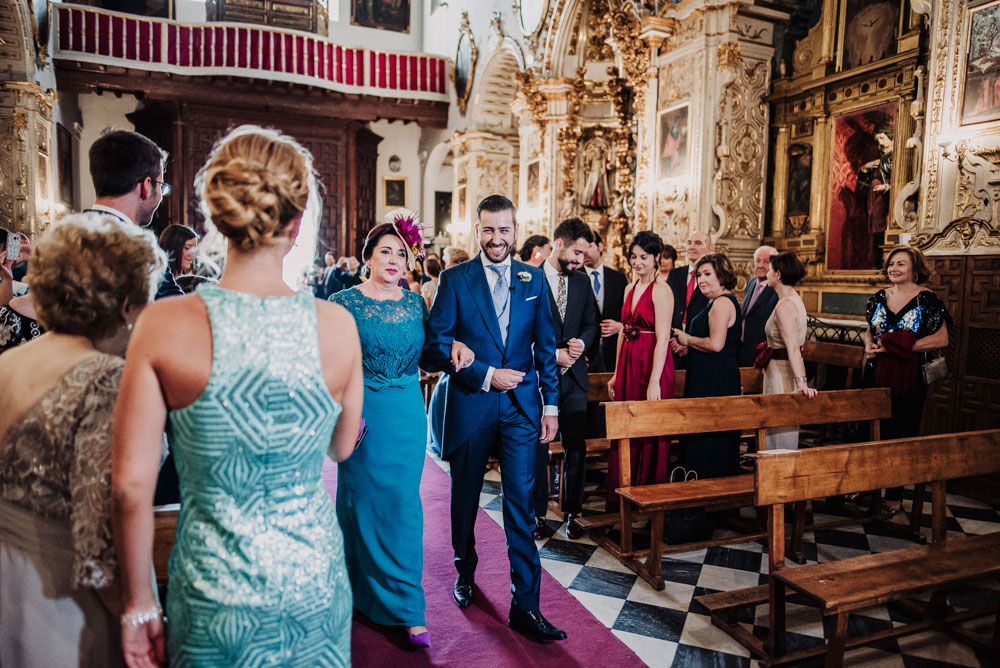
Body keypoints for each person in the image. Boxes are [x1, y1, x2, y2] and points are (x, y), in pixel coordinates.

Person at [112, 125, 362, 667]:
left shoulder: (165, 324)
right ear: (298, 222)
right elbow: (342, 447)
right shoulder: (338, 326)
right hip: (312, 580)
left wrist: (138, 603)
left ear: (215, 213)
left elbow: (130, 486)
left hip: (214, 586)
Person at [0, 212, 165, 667]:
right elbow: (98, 539)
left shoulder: (9, 362)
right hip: (58, 596)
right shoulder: (103, 378)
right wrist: (138, 612)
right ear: (126, 303)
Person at [422, 194, 565, 643]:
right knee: (464, 499)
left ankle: (526, 606)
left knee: (521, 505)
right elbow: (434, 348)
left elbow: (546, 349)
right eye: (488, 229)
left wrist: (551, 406)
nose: (496, 238)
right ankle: (465, 572)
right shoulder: (455, 279)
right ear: (477, 231)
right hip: (472, 404)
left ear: (515, 231)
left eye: (504, 229)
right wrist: (485, 374)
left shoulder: (533, 278)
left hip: (522, 410)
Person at [330, 214, 432, 647]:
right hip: (362, 414)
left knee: (403, 506)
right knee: (360, 504)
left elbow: (432, 353)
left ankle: (408, 607)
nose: (394, 260)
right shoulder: (343, 302)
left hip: (407, 415)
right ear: (368, 257)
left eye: (401, 254)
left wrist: (459, 349)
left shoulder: (416, 304)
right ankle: (357, 590)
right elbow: (332, 363)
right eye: (385, 251)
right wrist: (343, 414)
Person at [863, 246, 950, 512]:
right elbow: (869, 330)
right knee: (869, 431)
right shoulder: (879, 297)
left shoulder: (927, 300)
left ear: (915, 269)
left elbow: (942, 339)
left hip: (908, 378)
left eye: (901, 264)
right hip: (875, 372)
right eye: (891, 264)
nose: (894, 268)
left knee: (900, 434)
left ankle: (894, 496)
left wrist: (901, 347)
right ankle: (867, 486)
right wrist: (869, 344)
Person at [532, 218, 598, 541]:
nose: (580, 260)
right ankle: (537, 514)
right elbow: (520, 332)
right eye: (576, 253)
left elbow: (592, 324)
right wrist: (552, 354)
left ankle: (573, 512)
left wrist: (582, 344)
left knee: (575, 447)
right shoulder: (530, 279)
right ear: (559, 244)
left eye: (584, 254)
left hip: (574, 379)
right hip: (539, 378)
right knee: (538, 448)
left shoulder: (582, 282)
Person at [670, 253, 743, 542]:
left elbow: (716, 344)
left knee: (708, 442)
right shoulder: (715, 302)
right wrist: (689, 347)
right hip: (708, 377)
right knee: (704, 441)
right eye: (699, 275)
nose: (701, 280)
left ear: (722, 275)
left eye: (708, 274)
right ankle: (704, 507)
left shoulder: (723, 303)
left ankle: (704, 510)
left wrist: (687, 339)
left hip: (715, 382)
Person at [605, 231, 675, 511]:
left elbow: (663, 338)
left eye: (644, 257)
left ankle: (647, 500)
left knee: (649, 431)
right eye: (634, 257)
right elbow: (624, 333)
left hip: (652, 364)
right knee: (626, 426)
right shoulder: (629, 288)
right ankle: (622, 493)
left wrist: (654, 381)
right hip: (629, 363)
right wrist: (616, 372)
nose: (637, 262)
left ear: (656, 257)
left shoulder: (662, 290)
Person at [84, 130, 183, 300]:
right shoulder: (142, 252)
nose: (161, 195)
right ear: (146, 186)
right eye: (161, 186)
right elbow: (178, 309)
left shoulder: (61, 241)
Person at [757, 251, 816, 449]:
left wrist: (802, 383)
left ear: (778, 274)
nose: (767, 273)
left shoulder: (786, 306)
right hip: (778, 370)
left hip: (781, 375)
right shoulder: (792, 300)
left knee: (779, 431)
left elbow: (793, 348)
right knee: (777, 429)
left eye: (770, 269)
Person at [427, 246, 471, 457]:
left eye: (448, 263)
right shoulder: (449, 280)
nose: (445, 267)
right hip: (451, 347)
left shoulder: (457, 281)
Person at [667, 231, 713, 369]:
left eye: (698, 243)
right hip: (673, 347)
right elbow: (667, 310)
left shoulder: (714, 277)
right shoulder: (674, 274)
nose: (691, 247)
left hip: (701, 350)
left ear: (710, 248)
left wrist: (689, 343)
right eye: (689, 243)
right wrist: (674, 340)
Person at [583, 231, 627, 373]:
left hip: (614, 349)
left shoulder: (618, 278)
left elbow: (628, 312)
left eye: (589, 246)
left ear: (600, 246)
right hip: (586, 352)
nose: (584, 252)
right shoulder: (574, 278)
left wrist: (620, 326)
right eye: (581, 248)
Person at [738, 245, 779, 367]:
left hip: (761, 353)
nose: (760, 265)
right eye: (758, 261)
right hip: (741, 348)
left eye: (766, 262)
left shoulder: (777, 289)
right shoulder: (751, 282)